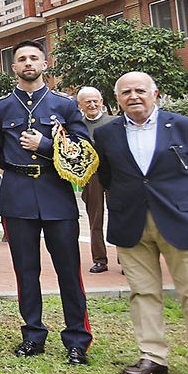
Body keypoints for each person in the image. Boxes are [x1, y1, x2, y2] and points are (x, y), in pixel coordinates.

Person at [94, 72, 188, 374]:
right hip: (131, 223)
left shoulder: (186, 127)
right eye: (126, 92)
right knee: (142, 293)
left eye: (140, 90)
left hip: (181, 221)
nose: (133, 96)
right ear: (118, 99)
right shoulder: (107, 133)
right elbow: (108, 177)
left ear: (155, 93)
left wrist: (187, 204)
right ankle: (152, 356)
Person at [0, 41, 94, 365]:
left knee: (68, 271)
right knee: (25, 271)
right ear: (14, 68)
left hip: (56, 193)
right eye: (21, 59)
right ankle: (32, 334)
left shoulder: (66, 104)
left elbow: (82, 146)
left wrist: (45, 145)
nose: (28, 63)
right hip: (17, 195)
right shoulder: (0, 108)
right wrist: (18, 166)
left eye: (34, 58)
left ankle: (77, 339)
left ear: (44, 64)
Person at [76, 86, 112, 273]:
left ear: (102, 102)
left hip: (115, 176)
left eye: (95, 100)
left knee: (120, 217)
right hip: (92, 176)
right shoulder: (77, 126)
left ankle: (125, 258)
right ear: (80, 105)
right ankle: (100, 260)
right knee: (95, 219)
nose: (92, 104)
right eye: (87, 101)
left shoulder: (115, 122)